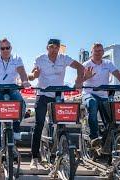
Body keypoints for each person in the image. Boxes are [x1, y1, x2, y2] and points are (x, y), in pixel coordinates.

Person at [28, 39, 84, 168]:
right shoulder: (40, 58)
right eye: (51, 47)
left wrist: (79, 81)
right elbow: (31, 76)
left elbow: (81, 67)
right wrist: (34, 75)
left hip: (58, 95)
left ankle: (60, 155)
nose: (54, 50)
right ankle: (34, 158)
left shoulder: (64, 58)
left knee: (62, 126)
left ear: (59, 48)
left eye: (56, 47)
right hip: (43, 95)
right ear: (47, 47)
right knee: (39, 125)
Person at [82, 43, 120, 147]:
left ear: (103, 52)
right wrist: (86, 77)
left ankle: (107, 142)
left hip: (103, 94)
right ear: (91, 53)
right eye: (96, 51)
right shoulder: (86, 65)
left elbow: (118, 73)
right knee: (92, 103)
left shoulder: (107, 63)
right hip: (89, 93)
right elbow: (77, 82)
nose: (98, 53)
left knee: (110, 118)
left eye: (100, 51)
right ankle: (94, 137)